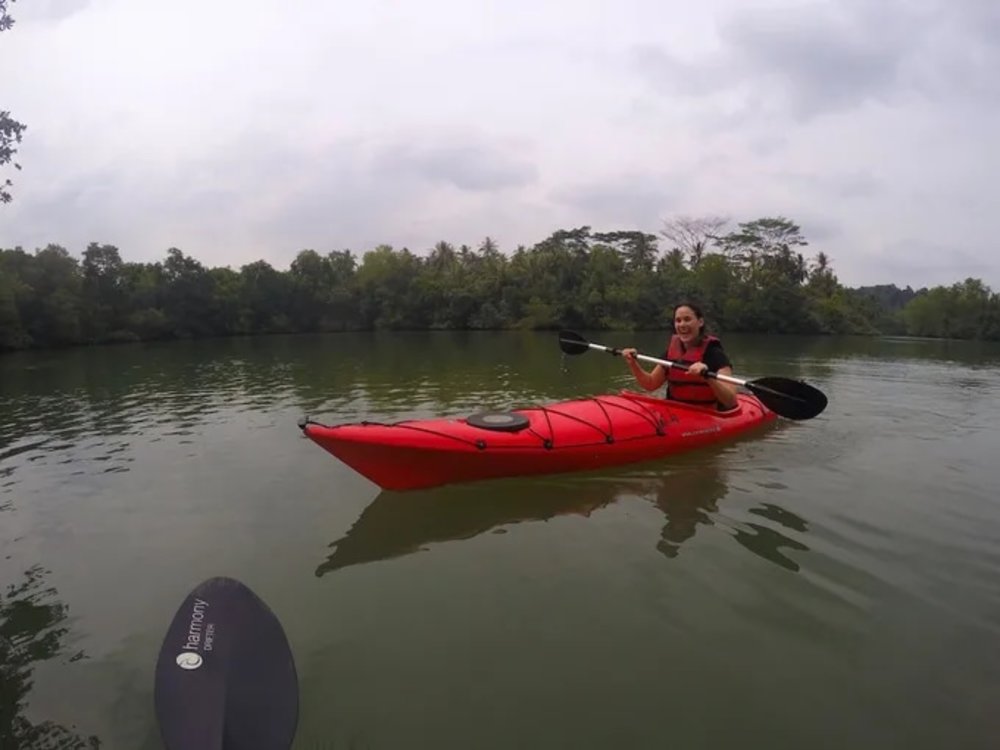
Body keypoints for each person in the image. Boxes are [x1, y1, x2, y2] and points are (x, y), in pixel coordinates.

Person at [621, 302, 738, 410]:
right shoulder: (670, 353)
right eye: (678, 320)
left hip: (706, 414)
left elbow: (731, 401)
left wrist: (708, 376)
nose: (682, 324)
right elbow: (650, 384)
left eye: (687, 319)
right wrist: (633, 363)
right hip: (675, 412)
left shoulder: (715, 354)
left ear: (700, 322)